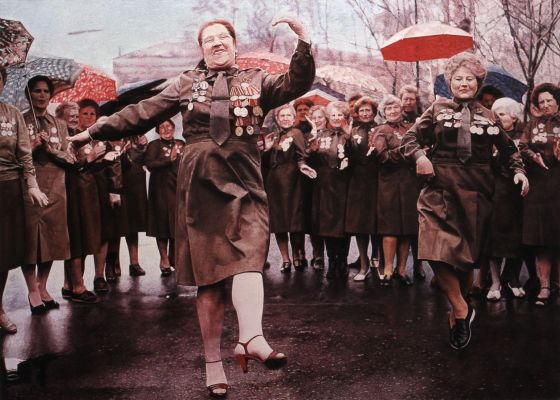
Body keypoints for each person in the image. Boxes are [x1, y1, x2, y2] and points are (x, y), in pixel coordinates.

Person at [68, 17, 314, 397]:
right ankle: (213, 362)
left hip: (246, 179)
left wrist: (304, 42)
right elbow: (142, 112)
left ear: (234, 44)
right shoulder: (185, 83)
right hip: (200, 183)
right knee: (210, 279)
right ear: (201, 49)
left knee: (251, 257)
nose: (217, 43)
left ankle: (251, 337)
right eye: (209, 40)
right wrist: (93, 130)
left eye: (223, 37)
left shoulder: (257, 80)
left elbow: (296, 83)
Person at [401, 52, 528, 350]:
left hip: (476, 190)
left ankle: (459, 309)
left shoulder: (489, 115)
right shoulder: (436, 109)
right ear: (450, 83)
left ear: (478, 83)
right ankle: (461, 308)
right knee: (433, 246)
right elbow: (409, 139)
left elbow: (509, 151)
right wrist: (420, 157)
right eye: (458, 78)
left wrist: (520, 172)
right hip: (439, 186)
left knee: (467, 259)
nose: (463, 83)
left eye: (470, 79)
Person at [21, 75, 75, 314]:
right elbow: (14, 156)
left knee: (53, 238)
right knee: (31, 239)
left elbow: (69, 158)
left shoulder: (60, 124)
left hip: (56, 186)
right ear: (28, 94)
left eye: (45, 91)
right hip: (30, 186)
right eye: (36, 91)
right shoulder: (21, 121)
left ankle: (43, 286)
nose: (42, 95)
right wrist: (31, 147)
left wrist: (51, 151)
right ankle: (32, 289)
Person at [0, 66, 48, 332]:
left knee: (3, 253)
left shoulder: (12, 114)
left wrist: (32, 184)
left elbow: (24, 154)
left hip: (8, 189)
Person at [56, 101, 107, 303]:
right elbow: (70, 164)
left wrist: (104, 158)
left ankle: (70, 285)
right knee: (76, 238)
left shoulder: (80, 136)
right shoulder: (61, 138)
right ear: (60, 118)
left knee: (84, 237)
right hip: (71, 191)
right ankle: (77, 286)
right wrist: (90, 158)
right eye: (71, 116)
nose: (75, 119)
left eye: (76, 115)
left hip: (86, 191)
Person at [519, 83, 560, 306]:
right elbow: (522, 146)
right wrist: (533, 156)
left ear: (557, 102)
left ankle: (558, 283)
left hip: (558, 184)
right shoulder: (532, 125)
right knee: (543, 238)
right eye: (541, 101)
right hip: (539, 187)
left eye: (549, 100)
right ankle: (545, 286)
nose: (545, 105)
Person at [371, 95, 418, 287]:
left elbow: (419, 148)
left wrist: (412, 152)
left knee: (407, 227)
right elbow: (382, 157)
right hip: (389, 184)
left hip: (409, 183)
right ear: (383, 112)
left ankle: (402, 269)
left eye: (395, 107)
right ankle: (388, 269)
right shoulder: (381, 130)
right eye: (388, 108)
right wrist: (405, 152)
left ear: (401, 109)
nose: (392, 111)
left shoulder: (410, 128)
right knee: (390, 227)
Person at [263, 104, 316, 273]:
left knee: (294, 221)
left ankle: (297, 256)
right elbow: (266, 161)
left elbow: (302, 154)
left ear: (293, 118)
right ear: (277, 119)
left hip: (292, 182)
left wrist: (302, 165)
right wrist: (267, 149)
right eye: (282, 116)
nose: (285, 118)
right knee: (279, 222)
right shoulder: (274, 136)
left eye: (288, 115)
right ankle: (285, 259)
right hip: (274, 183)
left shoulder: (296, 133)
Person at [486, 98, 527, 300]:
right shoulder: (489, 135)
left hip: (519, 192)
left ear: (514, 117)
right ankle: (495, 282)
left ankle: (512, 278)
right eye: (496, 115)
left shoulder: (522, 136)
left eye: (502, 114)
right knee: (494, 238)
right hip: (496, 192)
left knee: (517, 238)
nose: (498, 118)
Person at [307, 101, 352, 280]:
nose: (336, 118)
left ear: (345, 117)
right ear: (328, 117)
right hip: (324, 185)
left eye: (339, 115)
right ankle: (332, 261)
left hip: (344, 184)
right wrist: (312, 144)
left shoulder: (349, 134)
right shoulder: (321, 135)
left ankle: (343, 260)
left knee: (342, 226)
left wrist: (349, 137)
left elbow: (357, 156)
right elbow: (310, 157)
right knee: (327, 225)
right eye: (333, 115)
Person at [345, 96, 379, 281]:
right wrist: (346, 139)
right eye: (362, 111)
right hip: (358, 181)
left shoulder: (380, 129)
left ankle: (376, 259)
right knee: (360, 224)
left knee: (377, 223)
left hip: (377, 180)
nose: (365, 114)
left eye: (368, 110)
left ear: (374, 112)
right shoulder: (352, 131)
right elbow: (347, 157)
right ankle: (363, 264)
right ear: (357, 113)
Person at [145, 120, 184, 276]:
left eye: (168, 126)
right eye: (161, 127)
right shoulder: (153, 145)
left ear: (174, 128)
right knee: (161, 226)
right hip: (160, 191)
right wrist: (169, 160)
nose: (165, 129)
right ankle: (164, 259)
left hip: (177, 189)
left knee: (176, 225)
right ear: (158, 131)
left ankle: (174, 257)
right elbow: (149, 164)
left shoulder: (181, 144)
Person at [306, 105, 328, 271]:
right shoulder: (307, 136)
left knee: (329, 218)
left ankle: (333, 255)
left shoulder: (332, 133)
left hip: (330, 181)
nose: (317, 120)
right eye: (314, 118)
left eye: (320, 117)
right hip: (312, 181)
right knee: (315, 220)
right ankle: (317, 255)